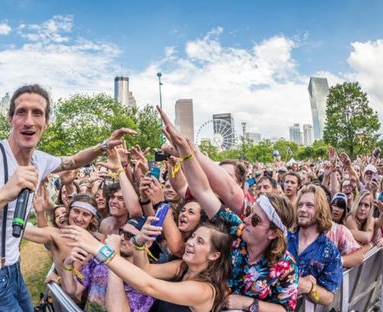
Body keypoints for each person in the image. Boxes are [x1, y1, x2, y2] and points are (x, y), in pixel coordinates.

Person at [0, 84, 136, 312]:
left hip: (13, 268)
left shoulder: (41, 160)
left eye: (37, 113)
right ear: (10, 119)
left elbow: (74, 161)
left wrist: (103, 146)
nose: (28, 121)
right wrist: (5, 192)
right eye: (21, 112)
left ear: (46, 123)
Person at [156, 106, 298, 311]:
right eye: (250, 214)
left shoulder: (286, 265)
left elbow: (285, 310)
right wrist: (187, 154)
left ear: (273, 233)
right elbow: (203, 190)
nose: (247, 220)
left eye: (256, 220)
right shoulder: (235, 229)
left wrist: (248, 303)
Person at [64, 218, 231, 312]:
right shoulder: (182, 266)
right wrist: (138, 242)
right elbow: (146, 270)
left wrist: (101, 250)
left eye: (199, 241)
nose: (190, 243)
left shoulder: (203, 290)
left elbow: (148, 285)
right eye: (193, 236)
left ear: (214, 255)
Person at [61, 217, 155, 312]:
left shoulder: (146, 278)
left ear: (147, 243)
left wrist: (114, 255)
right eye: (121, 232)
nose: (121, 238)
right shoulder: (100, 258)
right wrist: (68, 264)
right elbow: (73, 290)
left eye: (128, 235)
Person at [287, 184, 342, 305]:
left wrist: (309, 288)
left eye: (309, 205)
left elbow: (328, 297)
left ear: (320, 209)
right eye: (300, 205)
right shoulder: (283, 239)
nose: (302, 209)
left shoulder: (330, 251)